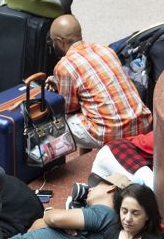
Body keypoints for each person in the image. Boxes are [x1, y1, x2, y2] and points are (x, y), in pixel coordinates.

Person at [46, 14, 152, 149]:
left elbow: (68, 108)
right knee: (89, 109)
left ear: (60, 41)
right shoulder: (105, 50)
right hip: (142, 123)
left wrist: (60, 87)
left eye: (53, 41)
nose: (53, 45)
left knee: (59, 124)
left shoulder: (64, 65)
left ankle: (67, 166)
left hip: (113, 132)